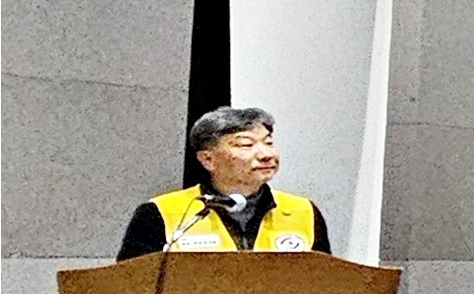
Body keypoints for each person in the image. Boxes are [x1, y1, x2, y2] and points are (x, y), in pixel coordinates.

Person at [119, 105, 332, 256]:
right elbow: (132, 286)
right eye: (246, 145)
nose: (266, 154)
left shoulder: (302, 211)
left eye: (268, 143)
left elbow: (326, 283)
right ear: (208, 159)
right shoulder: (162, 213)